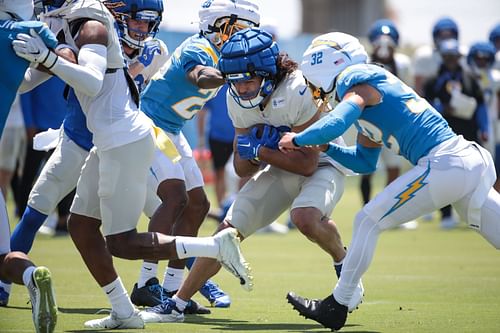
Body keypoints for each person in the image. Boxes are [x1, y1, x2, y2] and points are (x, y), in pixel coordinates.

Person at [11, 0, 251, 329]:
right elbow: (24, 81)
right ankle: (124, 309)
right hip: (109, 138)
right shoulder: (73, 31)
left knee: (122, 241)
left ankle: (211, 248)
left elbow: (91, 82)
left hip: (124, 138)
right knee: (80, 226)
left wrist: (49, 57)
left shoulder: (93, 27)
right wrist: (25, 56)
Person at [139, 28, 364, 324]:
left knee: (305, 218)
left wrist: (261, 151)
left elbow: (308, 163)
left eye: (248, 81)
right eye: (235, 82)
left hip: (323, 163)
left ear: (268, 74)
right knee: (225, 234)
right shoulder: (236, 99)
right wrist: (256, 151)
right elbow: (241, 167)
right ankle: (178, 304)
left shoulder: (298, 90)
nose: (242, 89)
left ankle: (343, 261)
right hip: (280, 167)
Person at [279, 32, 500, 331]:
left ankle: (338, 304)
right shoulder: (366, 95)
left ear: (325, 66)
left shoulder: (354, 79)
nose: (315, 91)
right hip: (465, 161)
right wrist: (327, 147)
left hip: (447, 161)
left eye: (314, 83)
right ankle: (339, 302)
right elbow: (364, 162)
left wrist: (300, 138)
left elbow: (339, 118)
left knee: (367, 219)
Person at [135, 0, 260, 310]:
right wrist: (235, 73)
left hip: (171, 130)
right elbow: (200, 76)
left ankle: (172, 289)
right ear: (221, 25)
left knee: (199, 205)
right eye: (241, 29)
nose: (244, 37)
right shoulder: (200, 48)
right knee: (175, 199)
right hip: (149, 123)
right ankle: (145, 283)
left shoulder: (220, 53)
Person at [0, 1, 58, 332]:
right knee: (4, 257)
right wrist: (47, 61)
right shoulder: (29, 30)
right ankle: (29, 274)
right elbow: (67, 56)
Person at [424, 38, 489, 228]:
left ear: (460, 57)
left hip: (469, 132)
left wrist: (484, 128)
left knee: (475, 174)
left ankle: (473, 213)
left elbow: (481, 105)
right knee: (443, 173)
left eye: (454, 56)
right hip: (443, 135)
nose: (451, 60)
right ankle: (445, 215)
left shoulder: (470, 79)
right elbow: (424, 105)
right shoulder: (433, 80)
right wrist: (442, 107)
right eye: (447, 56)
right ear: (442, 57)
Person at [361, 19, 417, 229]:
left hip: (394, 123)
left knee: (394, 168)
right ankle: (366, 210)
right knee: (367, 167)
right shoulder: (364, 61)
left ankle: (388, 212)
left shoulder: (402, 63)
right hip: (370, 121)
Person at [466, 41, 500, 191]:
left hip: (491, 123)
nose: (481, 62)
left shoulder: (496, 78)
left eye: (485, 59)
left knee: (491, 162)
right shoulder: (465, 75)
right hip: (468, 123)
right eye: (478, 58)